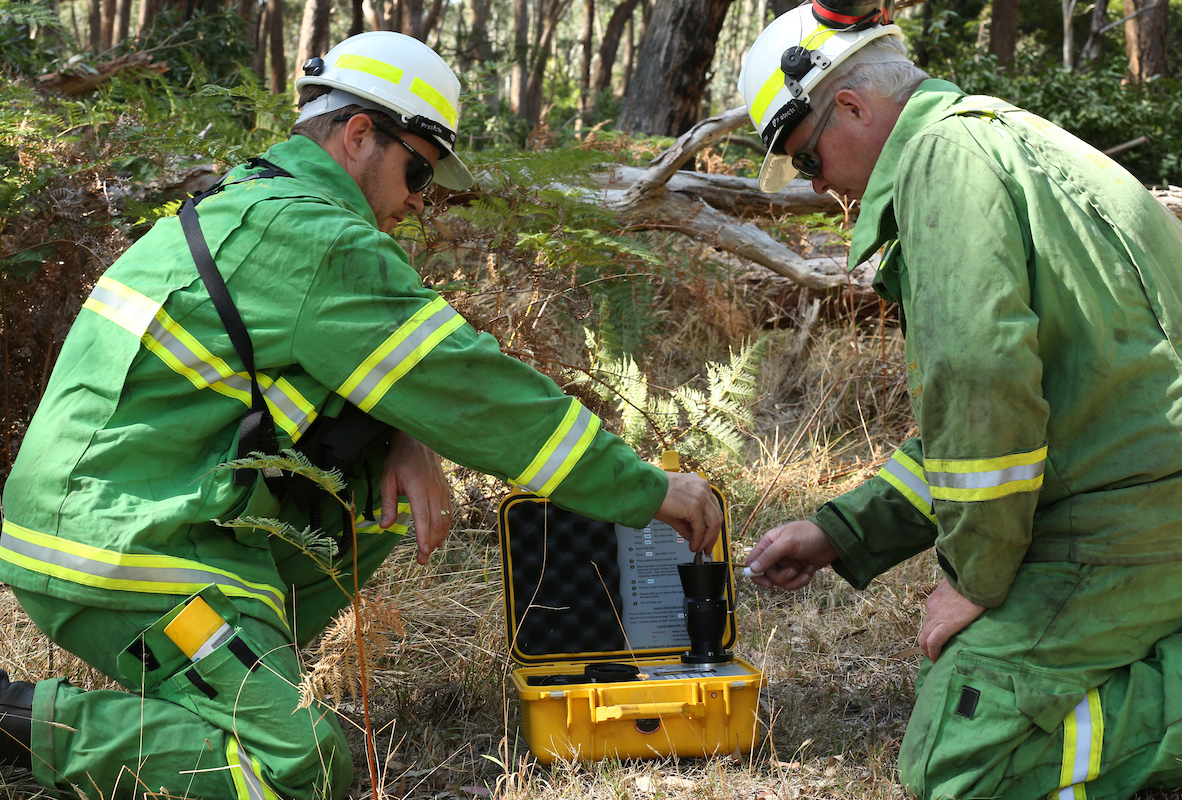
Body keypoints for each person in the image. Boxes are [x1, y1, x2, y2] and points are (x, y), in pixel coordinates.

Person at [0, 32, 722, 799]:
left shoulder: (250, 205)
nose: (420, 197)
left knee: (380, 504)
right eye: (419, 169)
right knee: (298, 769)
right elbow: (472, 387)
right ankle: (21, 721)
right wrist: (647, 490)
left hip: (125, 511)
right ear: (357, 135)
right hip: (125, 543)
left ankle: (220, 680)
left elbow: (346, 372)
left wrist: (402, 436)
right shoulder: (319, 242)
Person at [737, 2, 1182, 798]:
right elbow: (991, 420)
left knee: (958, 763)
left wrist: (975, 579)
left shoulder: (941, 160)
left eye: (808, 159)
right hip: (1153, 493)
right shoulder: (999, 137)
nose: (820, 187)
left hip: (1131, 519)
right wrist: (838, 533)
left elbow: (983, 389)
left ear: (850, 105)